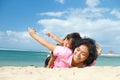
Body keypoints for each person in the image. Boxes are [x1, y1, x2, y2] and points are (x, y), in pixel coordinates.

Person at [28, 28, 98, 68]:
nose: (78, 54)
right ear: (75, 48)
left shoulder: (88, 63)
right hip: (53, 59)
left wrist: (98, 52)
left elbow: (93, 58)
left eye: (83, 53)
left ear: (87, 58)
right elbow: (46, 43)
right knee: (50, 59)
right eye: (78, 50)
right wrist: (32, 34)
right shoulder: (65, 52)